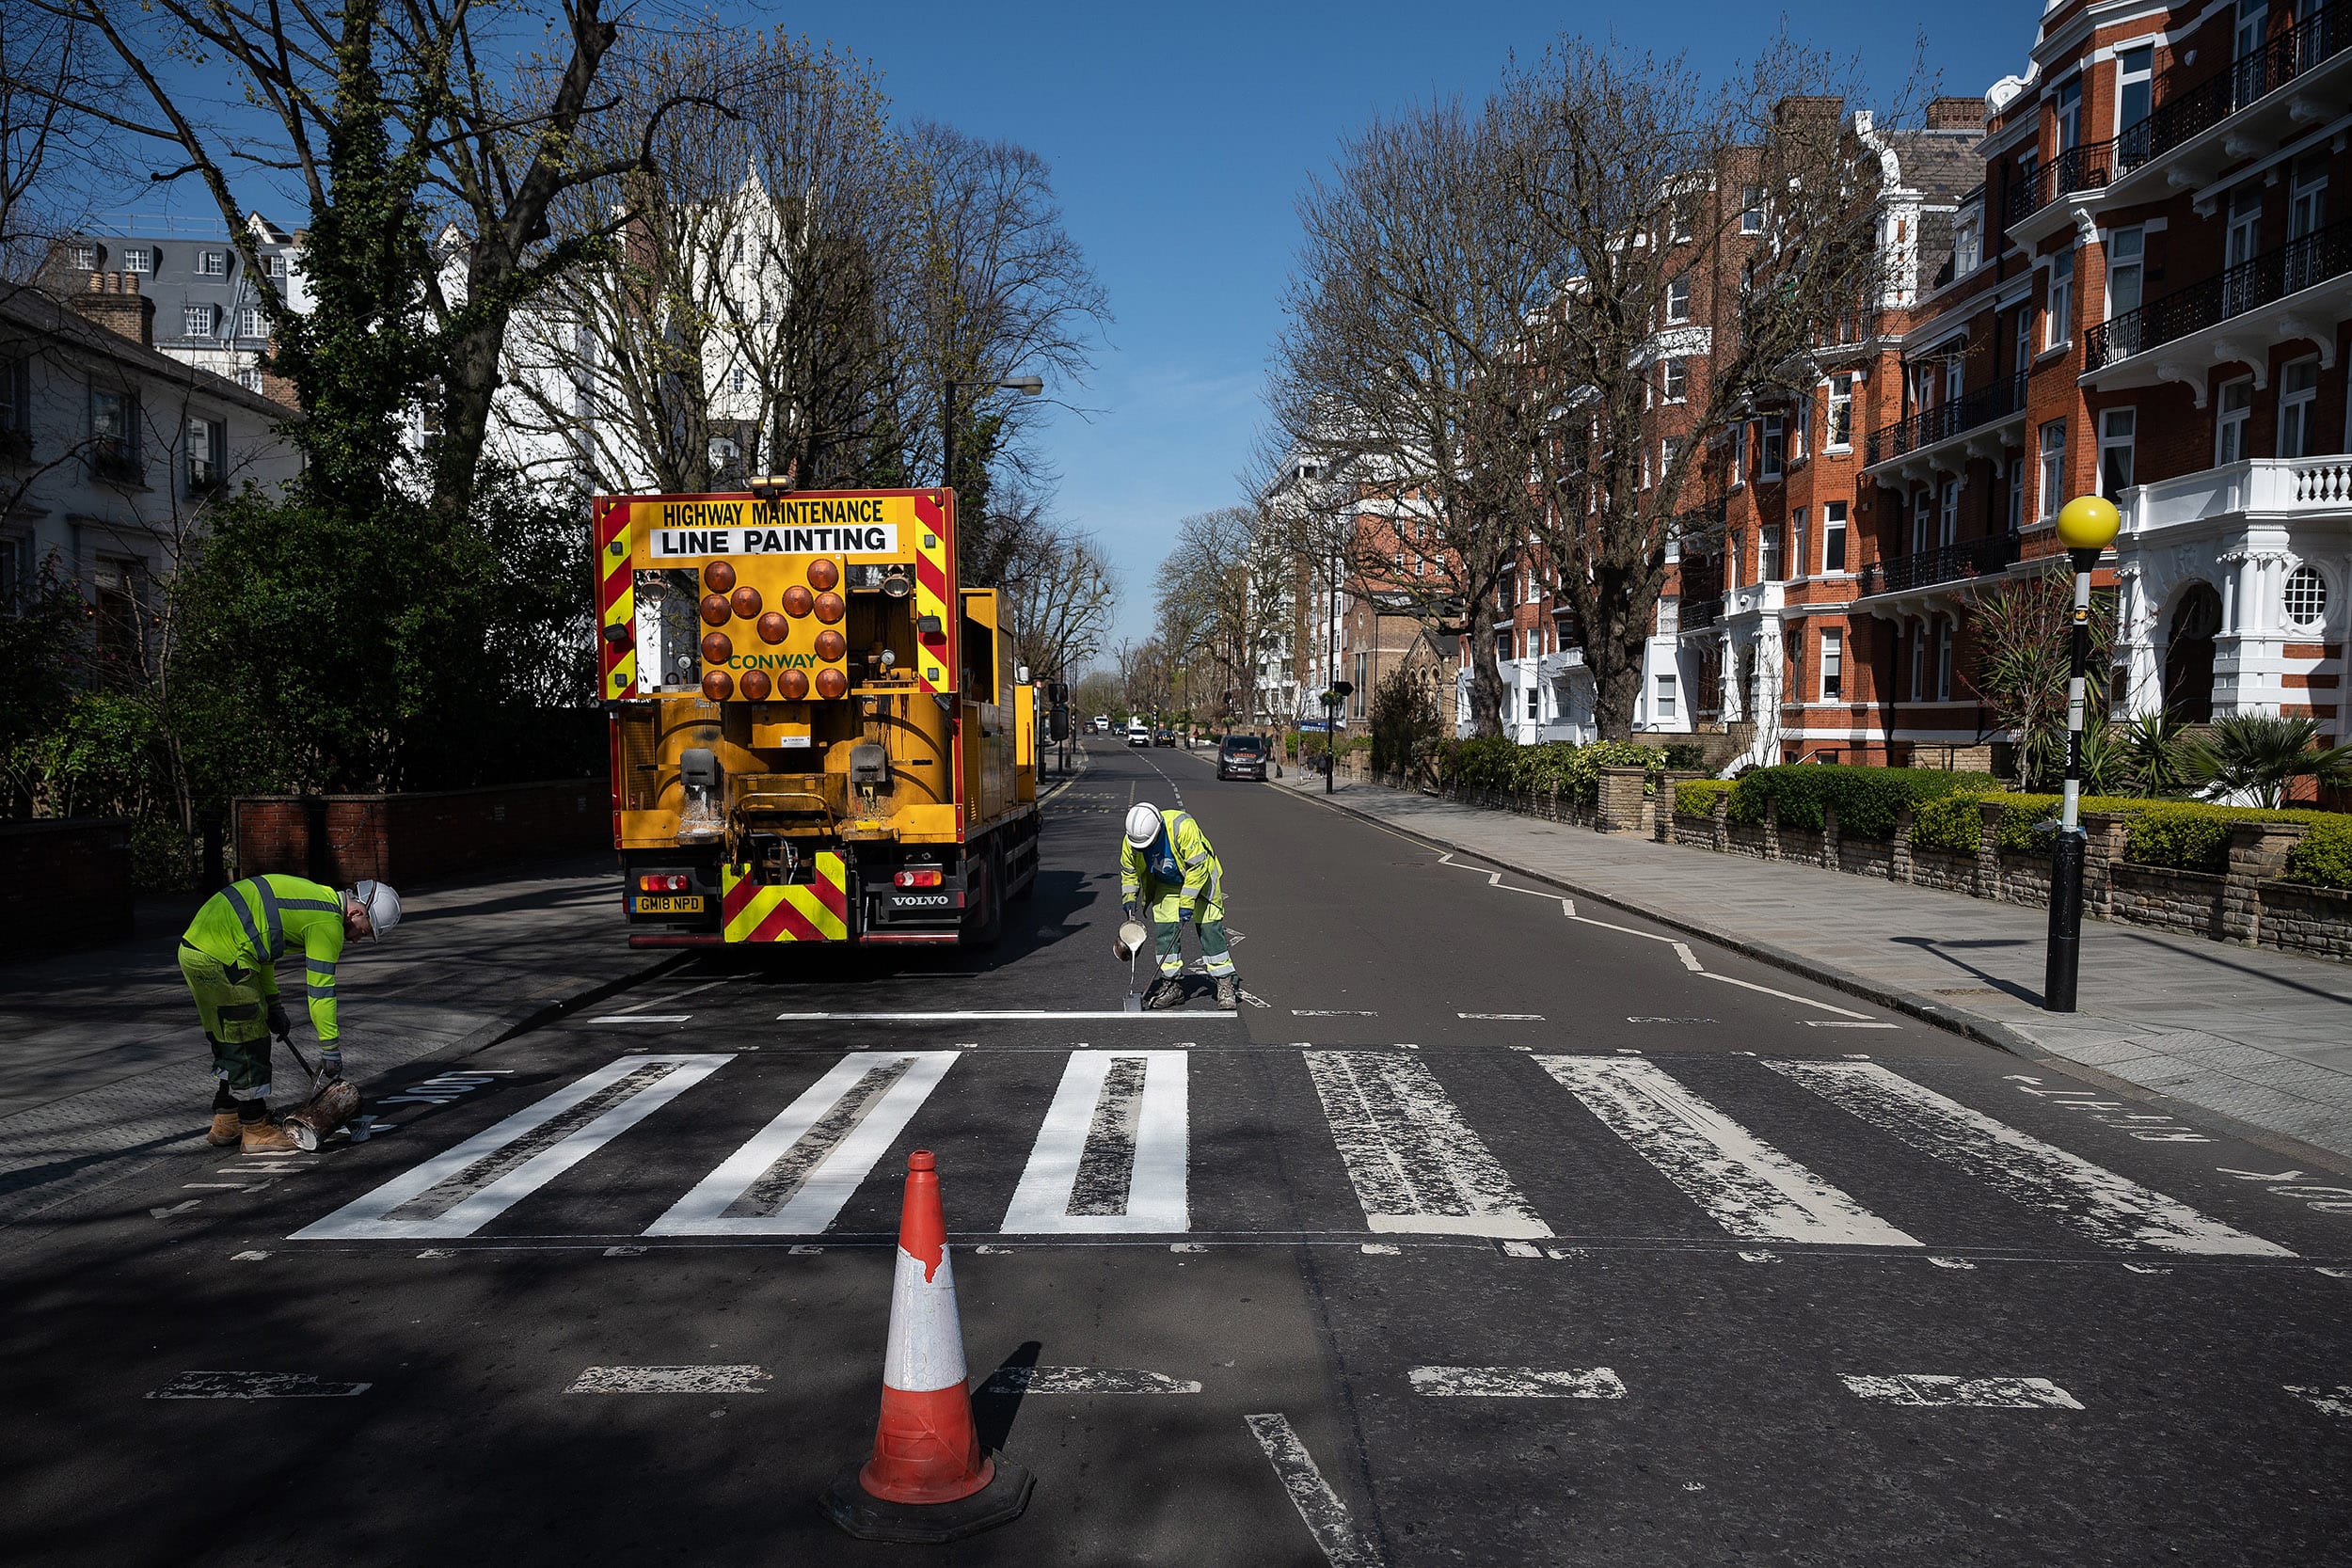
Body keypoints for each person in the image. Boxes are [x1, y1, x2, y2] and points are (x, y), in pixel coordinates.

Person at [179, 874, 402, 1152]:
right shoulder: (327, 922)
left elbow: (264, 952)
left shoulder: (318, 896)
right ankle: (255, 1128)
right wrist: (330, 1049)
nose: (357, 939)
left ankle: (227, 1120)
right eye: (364, 930)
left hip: (198, 950)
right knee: (249, 1042)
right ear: (356, 911)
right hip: (222, 955)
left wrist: (274, 1005)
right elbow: (321, 991)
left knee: (231, 1039)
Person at [1120, 803, 1239, 1009]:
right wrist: (1129, 896)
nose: (1144, 849)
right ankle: (1172, 985)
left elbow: (1198, 868)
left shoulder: (1183, 827)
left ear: (1158, 831)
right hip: (1167, 883)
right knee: (1166, 931)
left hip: (1200, 880)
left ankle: (1225, 984)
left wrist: (1187, 903)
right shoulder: (1132, 840)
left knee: (1209, 928)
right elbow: (1128, 870)